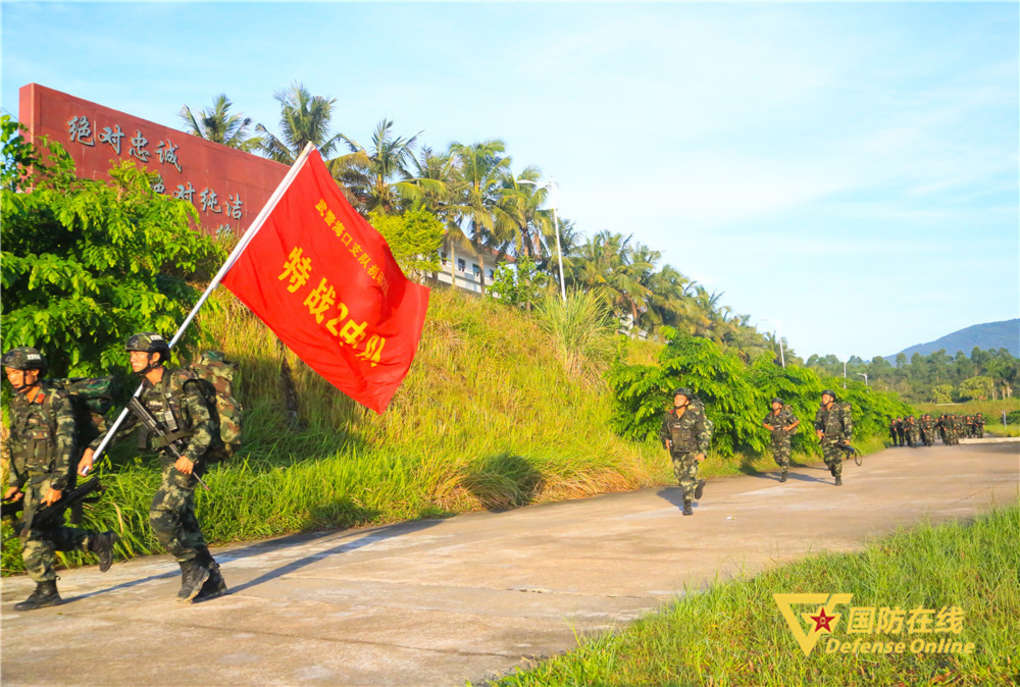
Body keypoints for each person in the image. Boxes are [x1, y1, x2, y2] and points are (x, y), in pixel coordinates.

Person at [78, 333, 226, 603]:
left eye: (138, 353)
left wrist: (191, 456)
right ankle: (213, 579)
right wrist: (92, 450)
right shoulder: (143, 391)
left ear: (155, 357)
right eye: (131, 353)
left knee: (161, 515)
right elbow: (120, 427)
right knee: (186, 521)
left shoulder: (182, 383)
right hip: (169, 460)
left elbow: (205, 426)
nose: (132, 358)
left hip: (189, 458)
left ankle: (192, 567)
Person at [3, 347, 117, 611]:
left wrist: (58, 485)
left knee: (32, 532)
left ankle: (46, 589)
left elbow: (67, 443)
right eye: (8, 373)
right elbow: (16, 445)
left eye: (16, 373)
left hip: (53, 477)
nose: (12, 378)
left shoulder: (56, 400)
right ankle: (95, 541)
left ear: (33, 372)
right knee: (45, 530)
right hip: (31, 477)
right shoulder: (17, 402)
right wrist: (14, 483)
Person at [659, 387, 712, 516]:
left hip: (691, 451)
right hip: (676, 451)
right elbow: (663, 432)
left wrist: (702, 452)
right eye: (676, 398)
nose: (677, 400)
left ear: (687, 402)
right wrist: (665, 440)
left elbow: (703, 434)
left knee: (687, 478)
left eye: (681, 398)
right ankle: (697, 484)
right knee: (680, 477)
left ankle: (687, 506)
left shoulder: (693, 416)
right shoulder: (669, 416)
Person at [814, 389, 852, 486]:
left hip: (838, 438)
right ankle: (833, 469)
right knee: (828, 460)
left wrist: (848, 438)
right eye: (823, 397)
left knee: (837, 458)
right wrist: (818, 431)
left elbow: (847, 424)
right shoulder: (821, 410)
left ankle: (838, 477)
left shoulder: (840, 410)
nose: (823, 399)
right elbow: (817, 423)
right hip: (826, 439)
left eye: (826, 397)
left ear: (832, 399)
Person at [762, 397, 800, 482]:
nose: (774, 405)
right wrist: (769, 427)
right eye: (773, 403)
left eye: (776, 403)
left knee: (785, 456)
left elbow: (797, 421)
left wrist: (789, 427)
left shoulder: (785, 413)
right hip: (774, 437)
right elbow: (764, 422)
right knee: (777, 457)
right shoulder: (770, 414)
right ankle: (784, 466)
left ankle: (784, 473)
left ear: (780, 405)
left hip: (784, 437)